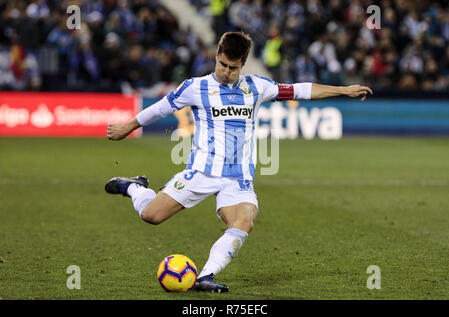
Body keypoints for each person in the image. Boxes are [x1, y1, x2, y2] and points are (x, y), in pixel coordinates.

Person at [105, 31, 373, 293]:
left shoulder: (257, 87)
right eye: (222, 64)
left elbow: (300, 90)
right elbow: (160, 108)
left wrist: (343, 90)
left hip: (238, 178)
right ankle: (133, 187)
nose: (226, 72)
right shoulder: (196, 87)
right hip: (201, 172)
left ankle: (204, 276)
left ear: (242, 64)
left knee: (243, 222)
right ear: (217, 56)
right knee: (151, 216)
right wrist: (127, 127)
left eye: (233, 68)